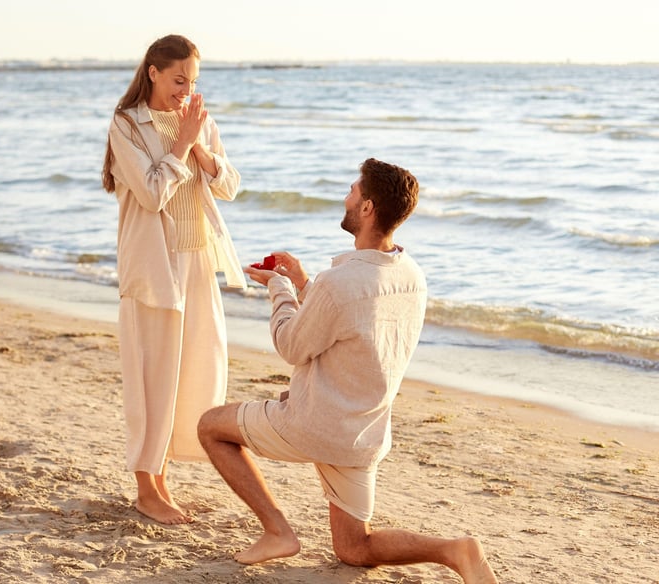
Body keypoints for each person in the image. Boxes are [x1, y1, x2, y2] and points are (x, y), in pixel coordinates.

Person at [197, 158, 498, 582]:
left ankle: (277, 531)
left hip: (313, 424)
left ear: (369, 208)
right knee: (355, 548)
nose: (346, 197)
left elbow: (292, 345)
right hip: (363, 432)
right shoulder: (412, 276)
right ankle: (455, 550)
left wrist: (280, 288)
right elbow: (354, 323)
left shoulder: (340, 283)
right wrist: (304, 282)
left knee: (211, 426)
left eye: (353, 192)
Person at [101, 34, 246, 525]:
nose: (186, 89)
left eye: (194, 81)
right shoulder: (127, 125)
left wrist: (205, 154)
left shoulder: (198, 121)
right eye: (179, 79)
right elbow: (153, 194)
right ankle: (146, 488)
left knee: (193, 375)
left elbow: (230, 186)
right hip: (153, 266)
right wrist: (184, 143)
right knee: (152, 378)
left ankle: (162, 481)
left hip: (198, 260)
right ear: (154, 73)